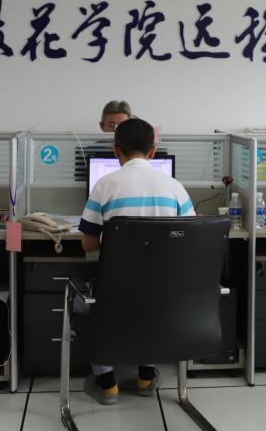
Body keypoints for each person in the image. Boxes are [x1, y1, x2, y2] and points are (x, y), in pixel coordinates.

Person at [78, 117, 194, 405]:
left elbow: (88, 244)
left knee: (85, 304)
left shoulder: (104, 185)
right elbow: (190, 238)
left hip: (115, 291)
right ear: (152, 151)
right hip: (163, 293)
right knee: (149, 302)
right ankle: (145, 377)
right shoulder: (175, 187)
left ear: (115, 150)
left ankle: (107, 384)